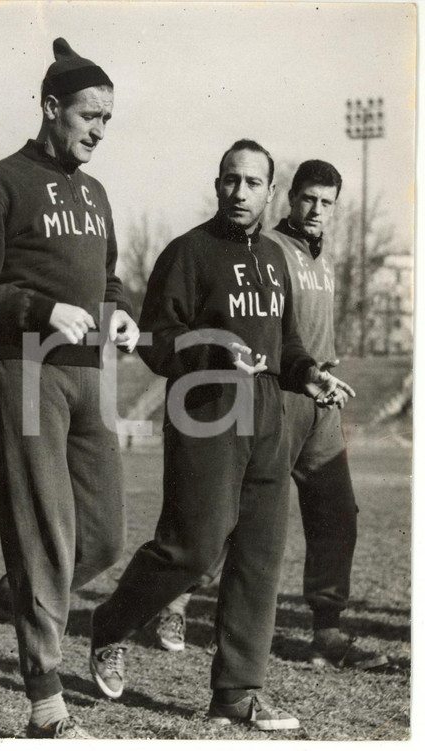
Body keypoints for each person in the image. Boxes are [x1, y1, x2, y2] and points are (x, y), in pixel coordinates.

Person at [87, 141, 356, 732]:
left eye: (252, 183)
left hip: (268, 421)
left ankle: (237, 692)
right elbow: (155, 342)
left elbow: (284, 345)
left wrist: (310, 374)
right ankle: (109, 626)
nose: (240, 192)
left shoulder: (275, 260)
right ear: (218, 185)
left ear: (268, 191)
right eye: (231, 181)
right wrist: (212, 349)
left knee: (259, 560)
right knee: (194, 549)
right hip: (202, 411)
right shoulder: (188, 252)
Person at [0, 38, 139, 739]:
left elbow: (109, 279)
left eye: (109, 119)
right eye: (89, 114)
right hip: (25, 371)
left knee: (104, 538)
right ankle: (46, 703)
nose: (99, 130)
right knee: (44, 537)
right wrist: (40, 309)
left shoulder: (95, 192)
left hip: (89, 375)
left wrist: (119, 319)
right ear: (52, 107)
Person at [153, 160, 387, 671]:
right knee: (235, 515)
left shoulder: (321, 257)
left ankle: (326, 632)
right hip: (274, 395)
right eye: (308, 198)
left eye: (327, 202)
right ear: (289, 198)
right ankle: (173, 604)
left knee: (336, 512)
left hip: (319, 400)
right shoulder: (269, 248)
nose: (316, 210)